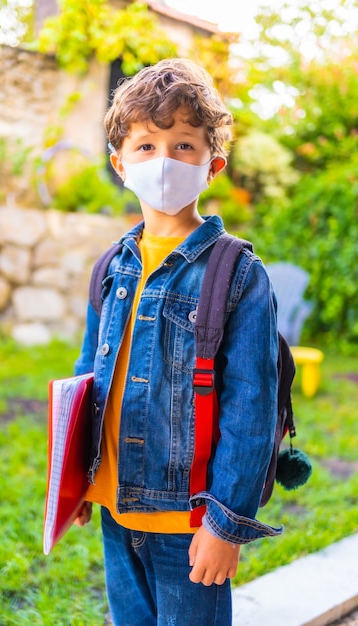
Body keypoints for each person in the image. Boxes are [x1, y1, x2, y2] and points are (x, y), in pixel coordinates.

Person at [74, 57, 281, 626]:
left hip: (189, 524)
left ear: (212, 165)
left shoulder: (236, 273)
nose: (164, 161)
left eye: (184, 145)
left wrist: (225, 524)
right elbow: (86, 377)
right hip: (117, 511)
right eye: (146, 146)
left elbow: (252, 408)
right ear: (120, 163)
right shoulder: (111, 268)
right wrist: (72, 484)